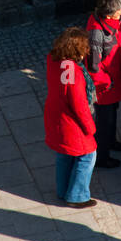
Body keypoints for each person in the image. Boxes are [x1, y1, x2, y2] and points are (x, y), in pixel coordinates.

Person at [44, 27, 98, 208]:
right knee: (88, 155)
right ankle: (77, 196)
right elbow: (80, 105)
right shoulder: (73, 73)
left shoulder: (52, 58)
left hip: (56, 115)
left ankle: (62, 190)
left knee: (64, 154)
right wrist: (90, 128)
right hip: (71, 123)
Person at [86, 0, 121, 170]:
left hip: (115, 81)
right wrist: (108, 82)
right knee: (105, 122)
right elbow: (93, 66)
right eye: (119, 10)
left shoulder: (113, 23)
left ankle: (111, 142)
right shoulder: (97, 33)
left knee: (112, 115)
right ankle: (102, 157)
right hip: (106, 87)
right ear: (108, 14)